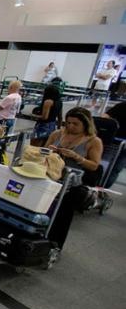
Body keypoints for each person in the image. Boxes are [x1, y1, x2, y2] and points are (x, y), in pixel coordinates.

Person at [46, 107, 104, 249]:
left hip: (72, 182)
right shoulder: (57, 134)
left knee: (63, 214)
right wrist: (49, 151)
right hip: (51, 176)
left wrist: (78, 158)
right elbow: (43, 151)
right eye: (68, 123)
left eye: (75, 124)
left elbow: (94, 166)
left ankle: (55, 245)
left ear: (85, 124)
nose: (71, 126)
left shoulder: (93, 141)